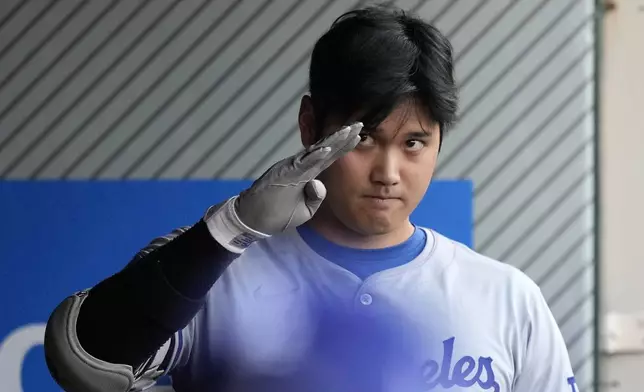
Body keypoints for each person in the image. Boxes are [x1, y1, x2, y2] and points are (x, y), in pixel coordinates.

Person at [43, 4, 578, 392]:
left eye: (414, 143)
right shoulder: (215, 270)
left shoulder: (507, 297)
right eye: (364, 138)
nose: (388, 172)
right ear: (310, 125)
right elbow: (81, 359)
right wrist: (230, 230)